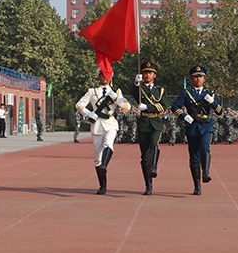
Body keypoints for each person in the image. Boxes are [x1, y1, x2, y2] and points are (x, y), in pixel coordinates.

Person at [76, 67, 131, 195]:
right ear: (98, 76)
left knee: (108, 143)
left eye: (107, 75)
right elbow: (79, 105)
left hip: (110, 123)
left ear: (111, 77)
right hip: (97, 125)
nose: (104, 78)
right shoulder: (92, 91)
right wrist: (89, 113)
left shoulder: (116, 91)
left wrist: (116, 98)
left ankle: (104, 165)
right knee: (97, 158)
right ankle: (103, 185)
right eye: (102, 75)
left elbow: (127, 106)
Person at [171, 65, 223, 195]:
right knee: (194, 157)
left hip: (206, 124)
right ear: (192, 79)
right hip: (192, 125)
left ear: (204, 79)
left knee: (205, 147)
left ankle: (206, 172)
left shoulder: (210, 93)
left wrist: (212, 102)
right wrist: (184, 116)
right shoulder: (186, 93)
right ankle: (197, 185)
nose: (198, 79)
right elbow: (174, 107)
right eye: (195, 76)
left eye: (200, 76)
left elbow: (220, 111)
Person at [131, 61, 169, 195]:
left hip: (156, 122)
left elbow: (164, 105)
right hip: (144, 123)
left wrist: (148, 107)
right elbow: (134, 94)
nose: (147, 75)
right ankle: (148, 184)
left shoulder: (161, 90)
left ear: (154, 75)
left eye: (150, 73)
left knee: (154, 142)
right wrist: (136, 83)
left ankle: (154, 167)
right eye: (145, 72)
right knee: (144, 157)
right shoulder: (140, 89)